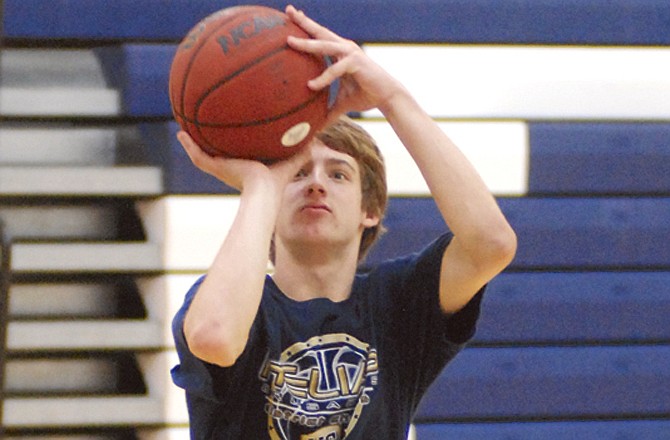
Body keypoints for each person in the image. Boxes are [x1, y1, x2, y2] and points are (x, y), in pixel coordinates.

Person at [171, 5, 517, 440]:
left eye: (338, 174)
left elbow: (492, 243)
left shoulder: (397, 305)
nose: (316, 184)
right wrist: (260, 186)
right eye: (297, 173)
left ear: (368, 210)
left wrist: (394, 98)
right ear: (270, 207)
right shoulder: (230, 304)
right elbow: (215, 338)